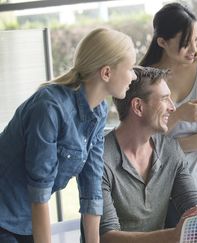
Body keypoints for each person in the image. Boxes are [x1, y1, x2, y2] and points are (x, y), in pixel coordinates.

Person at [0, 27, 136, 243]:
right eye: (130, 69)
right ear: (107, 72)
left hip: (25, 220)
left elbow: (92, 187)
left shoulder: (99, 111)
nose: (134, 76)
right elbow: (40, 193)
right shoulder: (49, 108)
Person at [99, 66, 197, 243]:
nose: (172, 108)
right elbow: (107, 237)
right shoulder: (100, 159)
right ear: (138, 106)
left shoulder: (170, 150)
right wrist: (175, 235)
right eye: (164, 99)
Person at [139, 2, 197, 224]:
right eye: (185, 43)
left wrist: (170, 147)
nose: (193, 48)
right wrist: (179, 115)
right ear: (162, 42)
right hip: (166, 193)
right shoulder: (143, 79)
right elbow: (144, 143)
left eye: (196, 39)